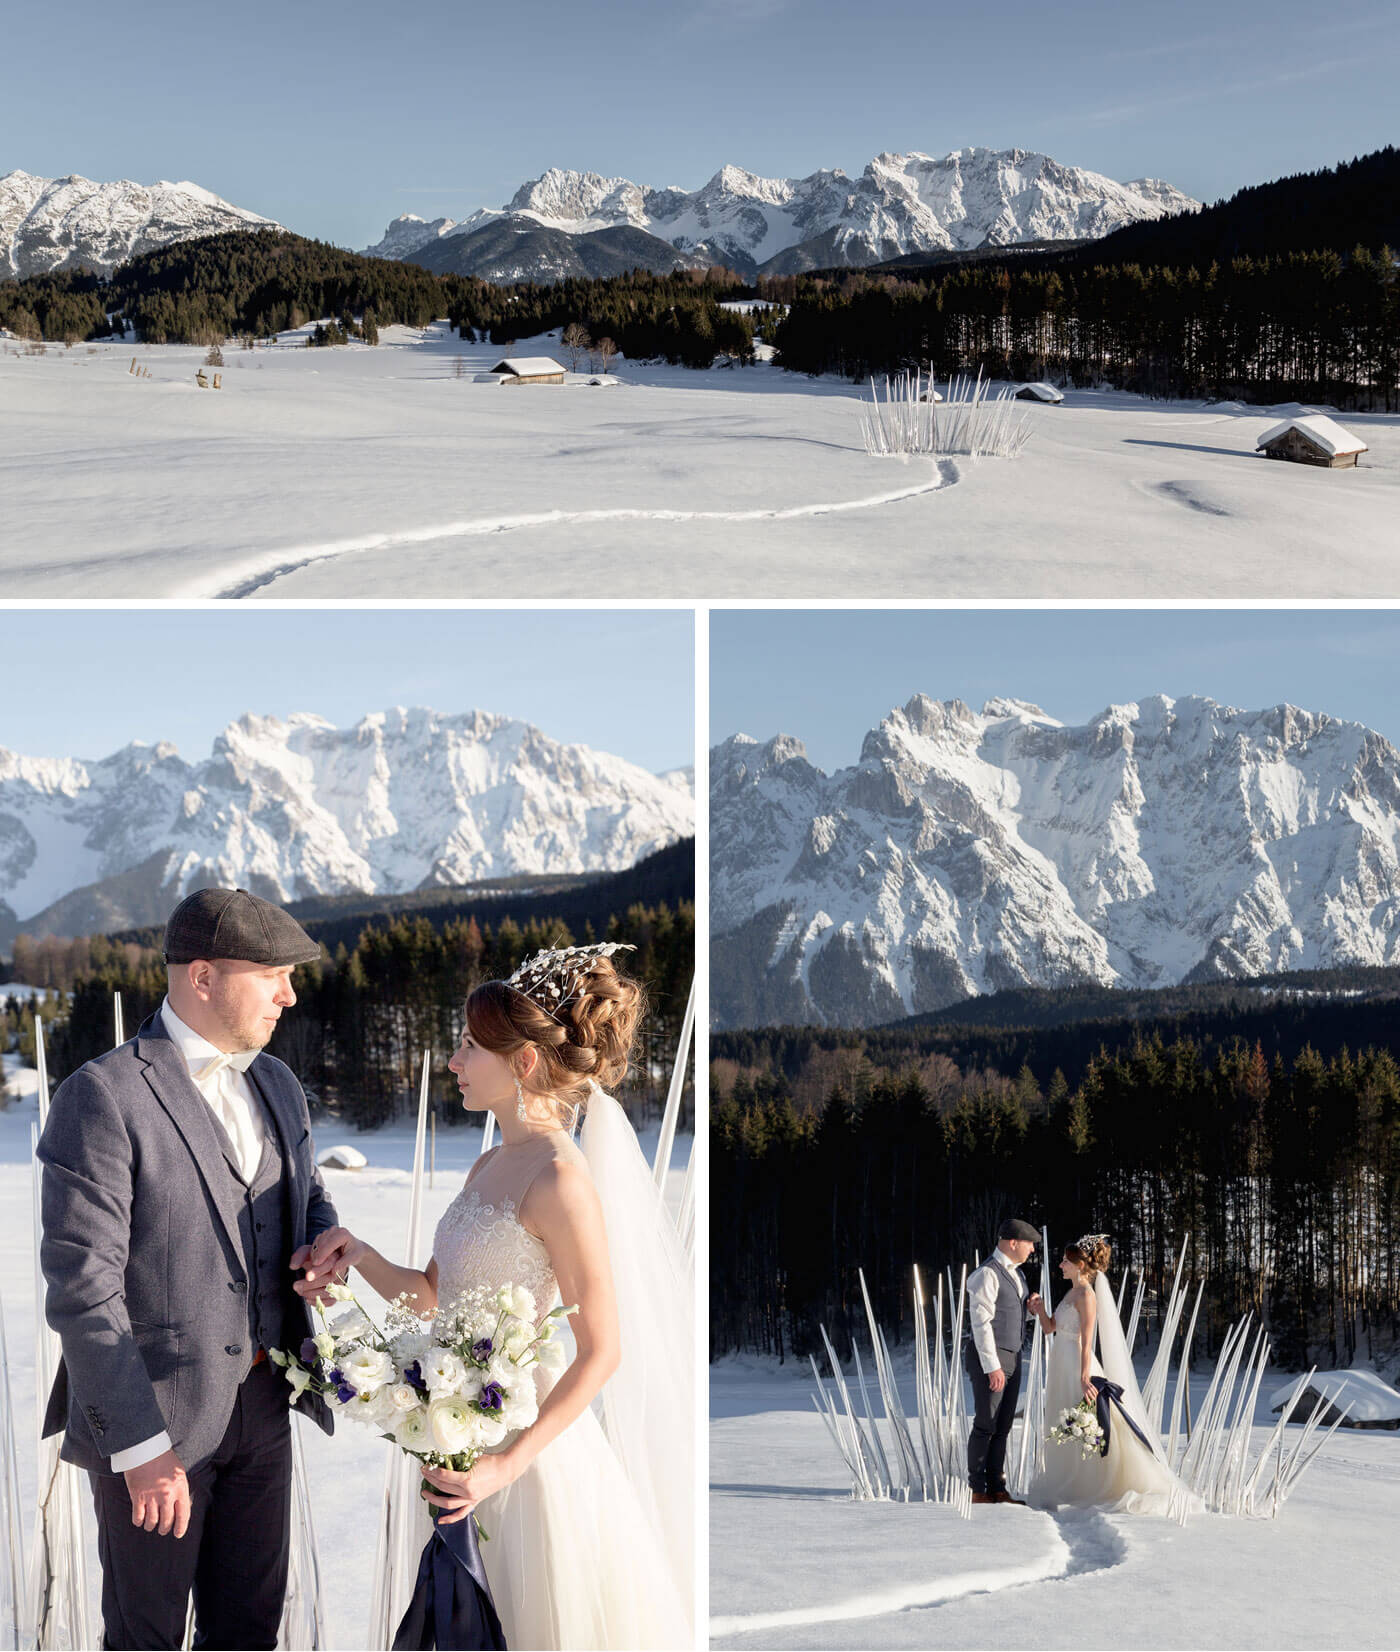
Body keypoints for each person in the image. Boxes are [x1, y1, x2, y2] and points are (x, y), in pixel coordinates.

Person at [303, 942, 693, 1650]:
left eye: (467, 1047)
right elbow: (431, 1294)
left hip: (523, 1454)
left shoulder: (559, 1181)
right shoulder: (489, 1162)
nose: (452, 1062)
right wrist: (358, 1256)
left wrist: (508, 1466)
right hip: (453, 1438)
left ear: (524, 1063)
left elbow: (603, 1351)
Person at [37, 887, 339, 1650]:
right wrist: (140, 1450)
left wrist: (322, 1244)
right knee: (145, 1639)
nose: (289, 993)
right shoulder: (101, 1096)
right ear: (201, 977)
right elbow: (83, 1291)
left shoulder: (278, 1084)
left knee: (249, 1632)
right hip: (154, 1423)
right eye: (272, 972)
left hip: (266, 1412)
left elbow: (309, 1202)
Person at [1029, 1234, 1194, 1516]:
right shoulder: (1069, 1293)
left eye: (1066, 1262)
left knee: (1082, 1423)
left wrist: (1084, 1377)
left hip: (1077, 1365)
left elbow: (1087, 1339)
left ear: (1080, 1265)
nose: (1060, 1265)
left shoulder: (1087, 1296)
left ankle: (1089, 1482)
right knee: (1063, 1418)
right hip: (1060, 1364)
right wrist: (1040, 1310)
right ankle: (1072, 1479)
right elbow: (1050, 1328)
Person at [964, 1217, 1044, 1506]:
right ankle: (977, 1490)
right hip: (992, 1357)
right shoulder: (987, 1274)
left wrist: (1032, 1309)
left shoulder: (1017, 1274)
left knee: (1004, 1425)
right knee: (986, 1423)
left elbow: (1010, 1314)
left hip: (1013, 1356)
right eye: (1030, 1244)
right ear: (1013, 1242)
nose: (1033, 1250)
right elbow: (981, 1323)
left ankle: (998, 1488)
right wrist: (992, 1366)